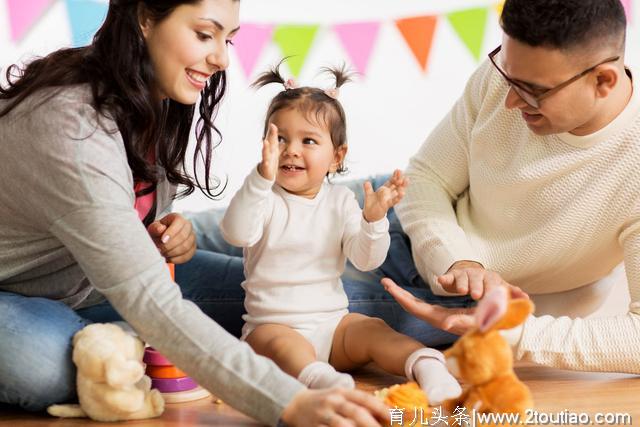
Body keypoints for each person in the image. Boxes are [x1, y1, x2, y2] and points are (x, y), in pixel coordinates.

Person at [0, 1, 391, 426]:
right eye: (206, 34)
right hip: (19, 291)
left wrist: (159, 233)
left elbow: (122, 219)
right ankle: (134, 339)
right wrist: (289, 402)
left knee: (286, 303)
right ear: (145, 19)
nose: (222, 58)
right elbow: (146, 292)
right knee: (42, 365)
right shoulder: (72, 128)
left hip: (94, 283)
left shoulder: (156, 93)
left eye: (229, 40)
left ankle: (457, 314)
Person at [384, 0, 640, 373]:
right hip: (402, 219)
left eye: (533, 90)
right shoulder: (513, 72)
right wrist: (459, 261)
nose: (510, 100)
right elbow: (425, 177)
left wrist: (512, 334)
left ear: (603, 80)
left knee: (279, 310)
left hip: (464, 305)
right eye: (506, 75)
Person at [218, 64, 461, 404]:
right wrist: (259, 178)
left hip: (333, 327)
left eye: (309, 141)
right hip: (273, 326)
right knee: (277, 345)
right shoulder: (263, 197)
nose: (291, 150)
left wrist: (373, 220)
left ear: (337, 156)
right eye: (281, 139)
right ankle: (318, 378)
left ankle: (426, 366)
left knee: (373, 330)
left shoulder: (341, 200)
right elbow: (235, 233)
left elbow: (366, 259)